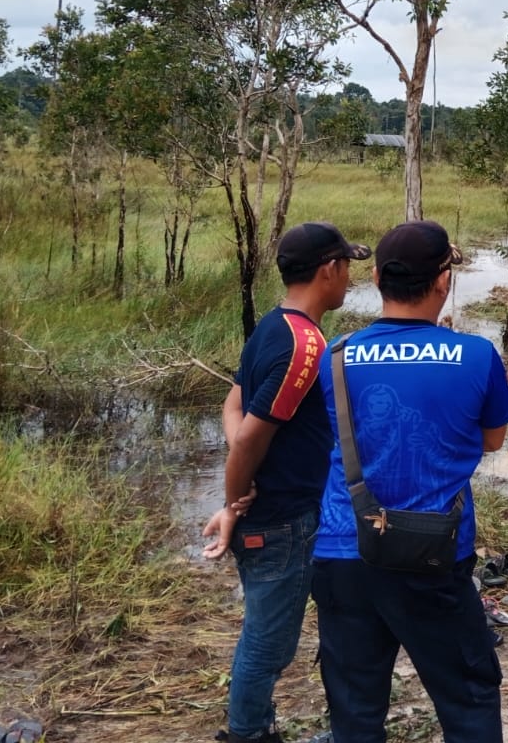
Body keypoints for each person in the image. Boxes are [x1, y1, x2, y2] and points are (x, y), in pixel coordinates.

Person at [309, 221, 508, 743]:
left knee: (355, 709)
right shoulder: (476, 355)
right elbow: (492, 440)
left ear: (376, 278)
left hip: (343, 551)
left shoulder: (334, 356)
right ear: (444, 281)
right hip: (434, 556)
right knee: (468, 696)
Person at [202, 222, 370, 743]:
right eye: (347, 267)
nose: (349, 279)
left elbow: (234, 406)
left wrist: (240, 485)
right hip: (281, 522)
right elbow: (251, 436)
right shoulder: (305, 345)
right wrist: (233, 499)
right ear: (329, 270)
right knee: (268, 644)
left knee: (264, 635)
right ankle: (249, 733)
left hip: (270, 514)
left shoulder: (272, 326)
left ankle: (253, 726)